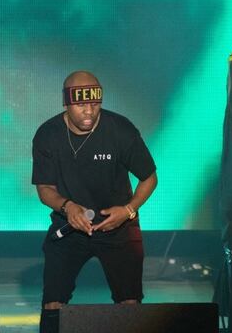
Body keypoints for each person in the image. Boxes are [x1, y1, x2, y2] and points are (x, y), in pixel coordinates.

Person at [32, 71, 158, 333]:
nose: (89, 111)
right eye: (81, 105)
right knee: (53, 303)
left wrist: (128, 210)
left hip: (119, 227)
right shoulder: (48, 135)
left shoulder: (120, 130)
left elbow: (149, 178)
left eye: (94, 103)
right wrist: (68, 207)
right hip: (69, 227)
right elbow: (45, 189)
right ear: (66, 103)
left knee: (129, 303)